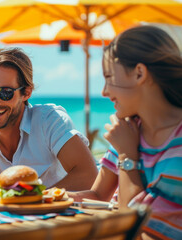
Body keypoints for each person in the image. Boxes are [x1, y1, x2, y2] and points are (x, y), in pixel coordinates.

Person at [68, 26, 182, 239]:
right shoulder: (128, 130)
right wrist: (48, 196)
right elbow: (98, 195)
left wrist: (127, 157)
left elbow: (137, 228)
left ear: (139, 73)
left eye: (109, 77)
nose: (104, 92)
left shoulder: (174, 147)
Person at [0, 48, 98, 189]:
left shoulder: (50, 121)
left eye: (5, 93)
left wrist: (36, 200)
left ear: (26, 93)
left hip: (55, 210)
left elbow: (89, 175)